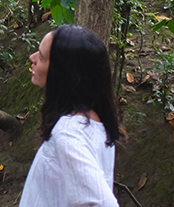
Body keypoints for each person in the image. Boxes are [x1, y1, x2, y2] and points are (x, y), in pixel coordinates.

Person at [20, 24, 121, 207]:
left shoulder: (69, 133)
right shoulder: (96, 122)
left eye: (42, 57)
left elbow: (102, 203)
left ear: (62, 73)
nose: (32, 58)